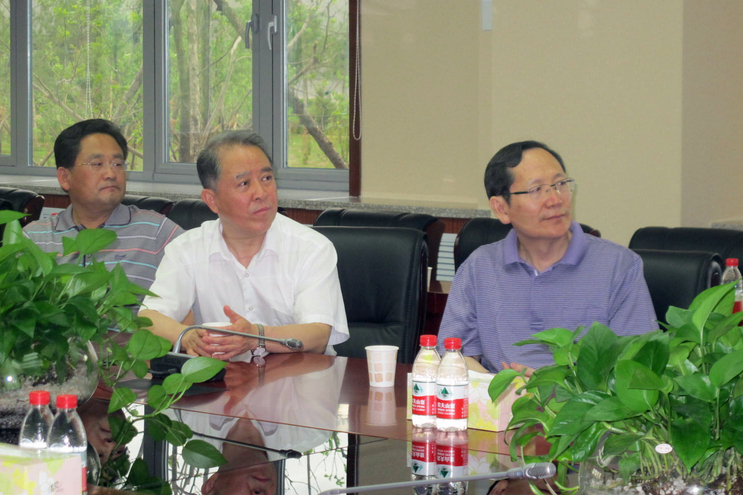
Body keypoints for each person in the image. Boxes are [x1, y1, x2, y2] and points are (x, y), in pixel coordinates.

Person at [438, 140, 657, 373]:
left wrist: (552, 388)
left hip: (581, 396)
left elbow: (638, 367)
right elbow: (454, 355)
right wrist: (503, 388)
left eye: (560, 184)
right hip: (497, 393)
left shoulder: (619, 266)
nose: (556, 200)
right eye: (536, 190)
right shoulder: (480, 265)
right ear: (501, 208)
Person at [139, 130, 349, 361]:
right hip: (225, 379)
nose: (261, 193)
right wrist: (187, 336)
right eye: (244, 183)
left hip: (298, 377)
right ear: (212, 200)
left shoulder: (312, 248)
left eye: (266, 178)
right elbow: (149, 318)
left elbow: (318, 336)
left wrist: (256, 336)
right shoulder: (186, 249)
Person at [23, 119, 184, 291]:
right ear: (65, 177)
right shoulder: (35, 238)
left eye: (117, 164)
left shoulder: (157, 232)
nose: (111, 174)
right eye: (97, 164)